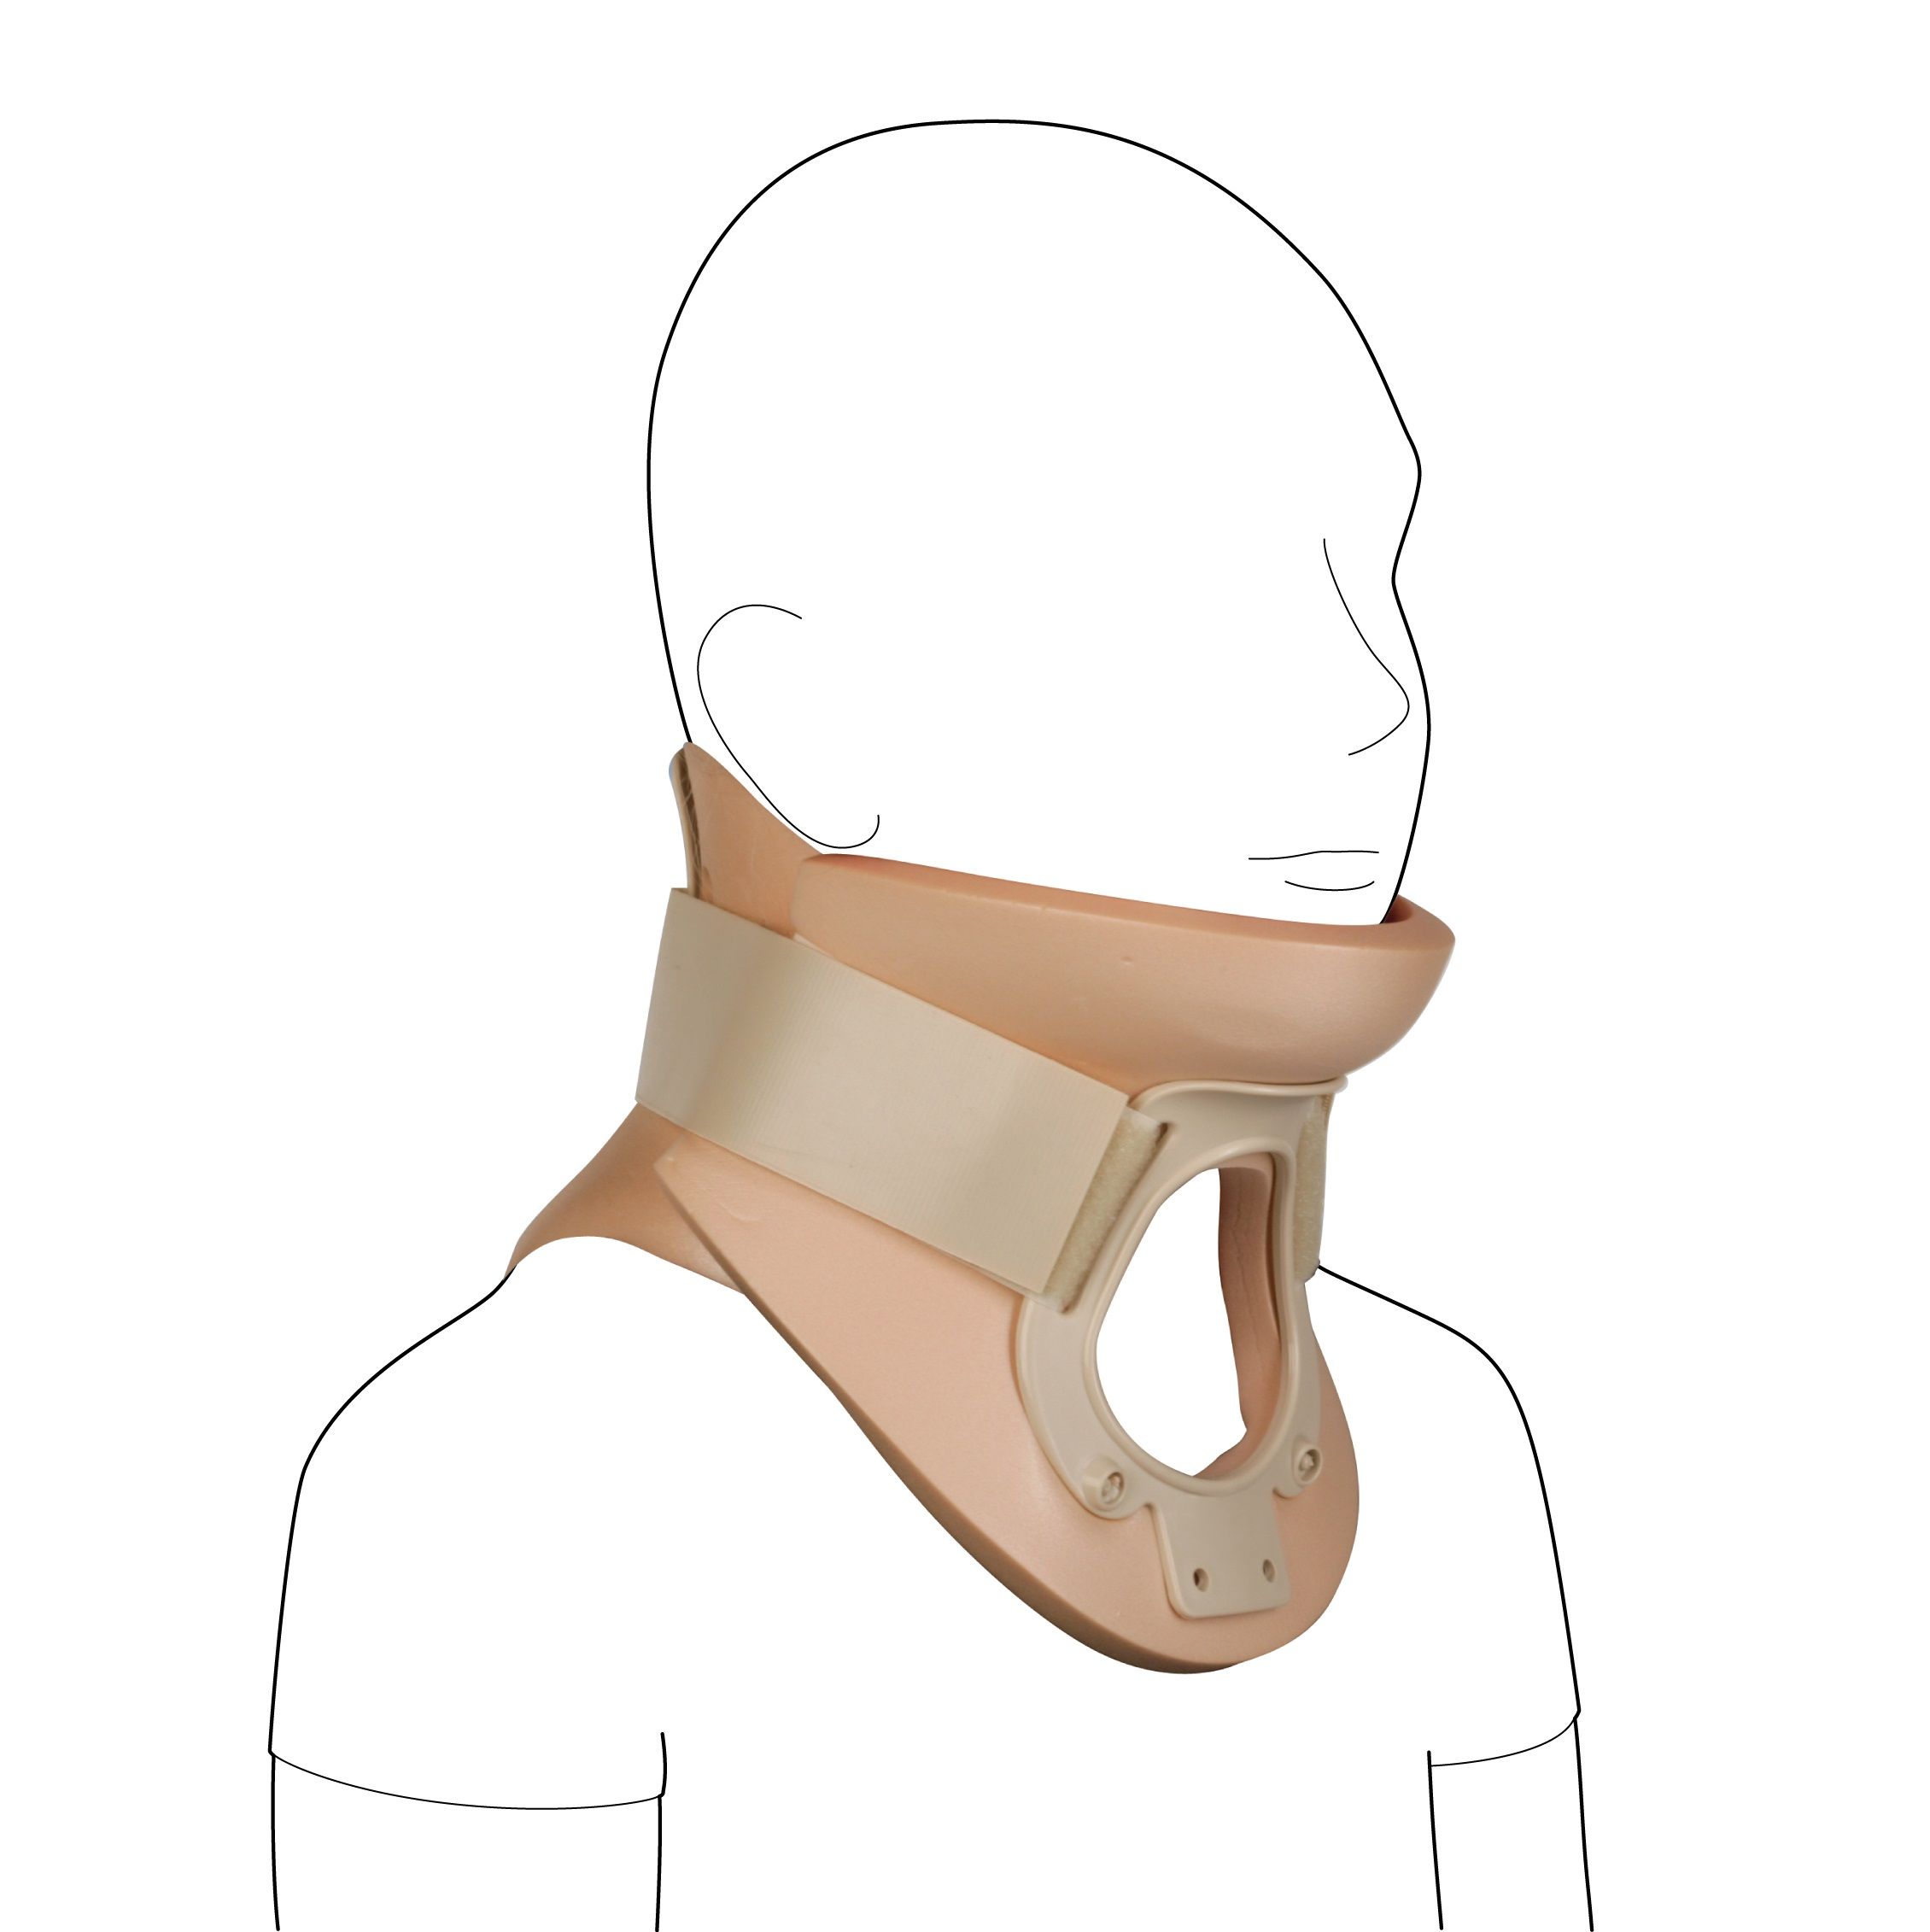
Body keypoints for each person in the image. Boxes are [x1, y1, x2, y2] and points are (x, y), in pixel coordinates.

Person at [270, 121, 1590, 1929]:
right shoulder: (503, 1489)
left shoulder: (1449, 1443)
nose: (1376, 695)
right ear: (804, 713)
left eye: (1374, 569)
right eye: (1208, 583)